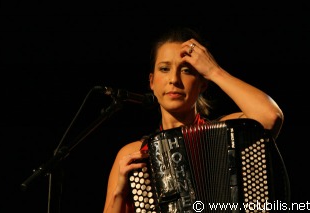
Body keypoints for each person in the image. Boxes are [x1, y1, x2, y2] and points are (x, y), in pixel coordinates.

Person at [103, 26, 284, 213]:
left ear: (202, 83)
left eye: (187, 71)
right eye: (164, 69)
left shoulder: (228, 134)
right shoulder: (134, 154)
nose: (173, 79)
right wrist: (120, 193)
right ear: (152, 82)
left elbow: (270, 116)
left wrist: (214, 71)